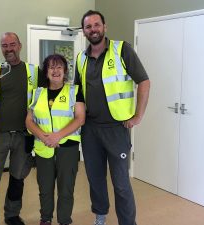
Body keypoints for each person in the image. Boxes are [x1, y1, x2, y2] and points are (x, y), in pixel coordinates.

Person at [74, 10, 150, 225]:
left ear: (104, 27)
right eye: (88, 27)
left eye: (96, 25)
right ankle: (100, 216)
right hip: (90, 131)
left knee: (121, 183)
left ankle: (128, 222)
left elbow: (144, 81)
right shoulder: (81, 58)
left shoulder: (121, 49)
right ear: (84, 31)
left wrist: (138, 116)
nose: (93, 30)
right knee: (95, 180)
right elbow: (78, 94)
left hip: (117, 129)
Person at [0, 32, 45, 225]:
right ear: (1, 48)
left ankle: (12, 215)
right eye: (5, 45)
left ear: (20, 46)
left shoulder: (33, 71)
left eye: (12, 44)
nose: (9, 49)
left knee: (17, 179)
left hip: (24, 135)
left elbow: (46, 97)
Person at [26, 54, 85, 225]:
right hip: (43, 148)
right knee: (45, 188)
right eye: (51, 67)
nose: (55, 70)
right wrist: (42, 136)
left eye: (59, 67)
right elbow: (29, 120)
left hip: (67, 147)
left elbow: (80, 118)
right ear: (46, 72)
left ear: (65, 71)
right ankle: (45, 219)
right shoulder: (37, 93)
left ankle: (64, 220)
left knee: (66, 188)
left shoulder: (74, 91)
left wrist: (57, 136)